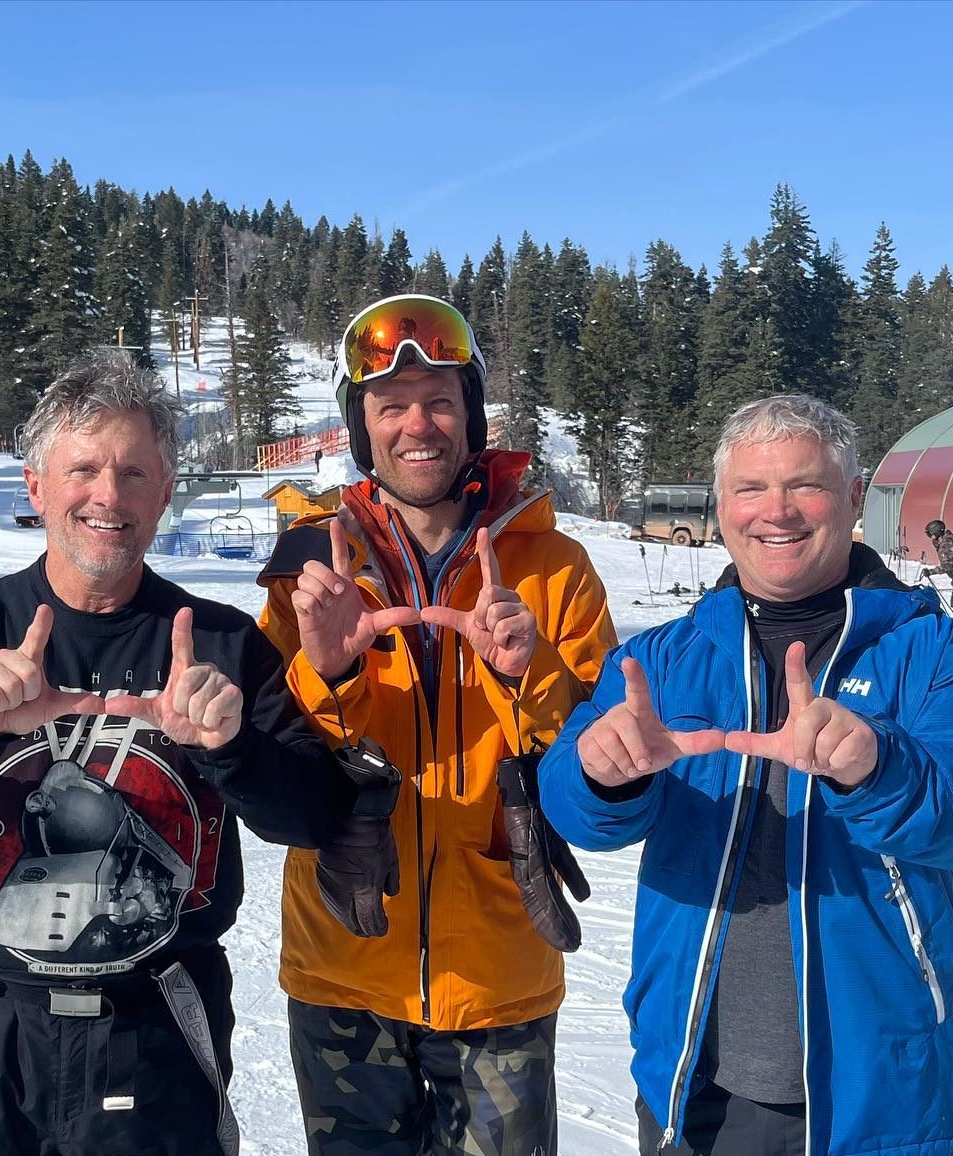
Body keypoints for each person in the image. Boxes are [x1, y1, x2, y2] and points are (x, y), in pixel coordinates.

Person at [0, 348, 359, 1156]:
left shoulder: (219, 644)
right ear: (36, 487)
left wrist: (229, 746)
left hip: (157, 1025)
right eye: (85, 470)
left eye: (135, 473)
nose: (109, 495)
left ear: (166, 493)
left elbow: (318, 816)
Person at [538, 394, 953, 1156]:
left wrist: (880, 768)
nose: (775, 511)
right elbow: (570, 806)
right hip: (695, 1081)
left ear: (850, 499)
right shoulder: (665, 659)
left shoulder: (934, 652)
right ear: (721, 506)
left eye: (803, 485)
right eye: (750, 488)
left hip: (887, 1095)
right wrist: (601, 775)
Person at [257, 294, 619, 1156]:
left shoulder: (555, 569)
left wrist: (525, 675)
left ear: (471, 417)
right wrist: (333, 670)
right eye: (391, 406)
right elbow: (276, 767)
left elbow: (597, 766)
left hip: (498, 974)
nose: (417, 424)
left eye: (439, 401)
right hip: (345, 965)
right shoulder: (308, 567)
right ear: (362, 426)